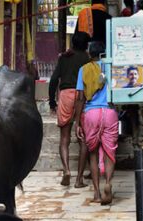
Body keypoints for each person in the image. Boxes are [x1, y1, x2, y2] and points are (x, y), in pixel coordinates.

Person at [74, 41, 119, 205]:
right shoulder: (111, 67)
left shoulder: (84, 69)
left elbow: (80, 97)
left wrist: (78, 122)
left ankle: (97, 193)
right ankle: (108, 182)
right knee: (109, 152)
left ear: (90, 55)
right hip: (110, 113)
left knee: (92, 153)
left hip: (91, 113)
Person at [49, 32, 91, 187]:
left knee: (64, 138)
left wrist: (52, 102)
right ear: (86, 45)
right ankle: (79, 179)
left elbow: (54, 79)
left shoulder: (64, 57)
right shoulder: (88, 58)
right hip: (83, 96)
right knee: (83, 139)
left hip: (66, 95)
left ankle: (66, 170)